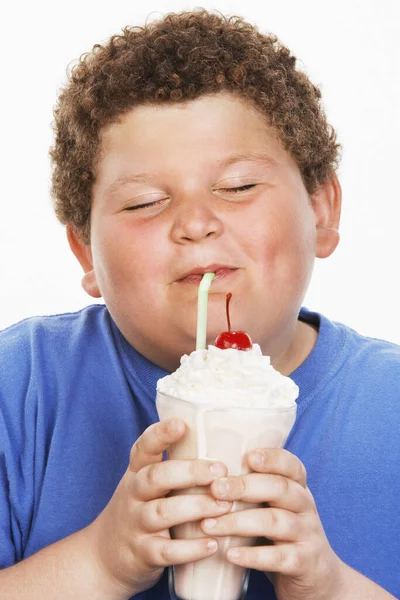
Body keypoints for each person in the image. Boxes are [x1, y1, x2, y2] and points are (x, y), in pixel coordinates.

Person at [0, 8, 398, 600]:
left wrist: (329, 588)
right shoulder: (21, 385)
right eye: (144, 202)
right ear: (85, 250)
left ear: (321, 210)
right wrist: (99, 562)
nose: (195, 223)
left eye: (237, 187)